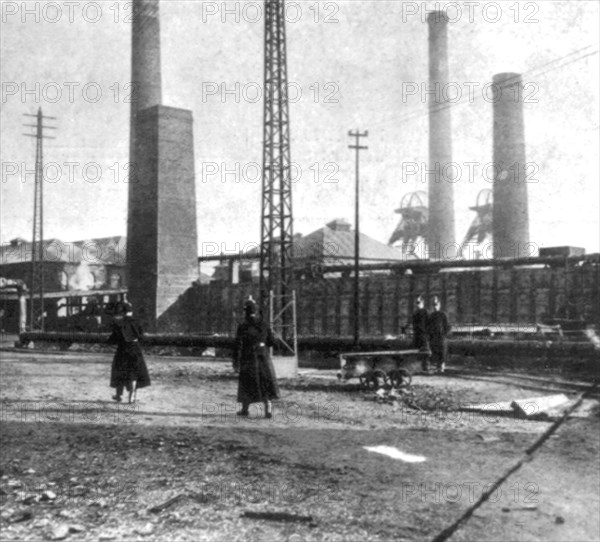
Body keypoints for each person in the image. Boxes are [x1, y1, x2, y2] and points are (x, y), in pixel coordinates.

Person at [234, 297, 279, 418]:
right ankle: (268, 410)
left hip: (248, 357)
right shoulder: (264, 324)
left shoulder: (243, 326)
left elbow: (237, 345)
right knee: (264, 382)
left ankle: (245, 409)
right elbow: (272, 342)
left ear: (246, 312)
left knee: (247, 383)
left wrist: (236, 362)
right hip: (263, 357)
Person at [108, 302, 151, 403]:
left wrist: (109, 340)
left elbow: (113, 339)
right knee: (133, 371)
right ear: (131, 311)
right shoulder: (137, 321)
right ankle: (132, 396)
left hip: (122, 349)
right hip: (135, 348)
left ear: (123, 311)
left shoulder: (119, 322)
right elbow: (142, 336)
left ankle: (118, 395)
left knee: (119, 371)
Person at [427, 296, 451, 374]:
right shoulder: (431, 316)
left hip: (441, 337)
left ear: (439, 304)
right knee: (435, 351)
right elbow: (429, 326)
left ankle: (442, 367)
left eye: (436, 304)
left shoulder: (443, 314)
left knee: (442, 352)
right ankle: (437, 367)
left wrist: (444, 334)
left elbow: (447, 326)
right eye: (433, 304)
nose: (435, 306)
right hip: (434, 337)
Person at [411, 294, 430, 372]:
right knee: (416, 351)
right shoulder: (415, 313)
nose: (417, 304)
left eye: (418, 302)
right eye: (416, 302)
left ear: (422, 302)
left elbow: (429, 323)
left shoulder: (426, 312)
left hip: (424, 335)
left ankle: (426, 367)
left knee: (425, 351)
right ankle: (417, 368)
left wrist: (427, 334)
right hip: (416, 335)